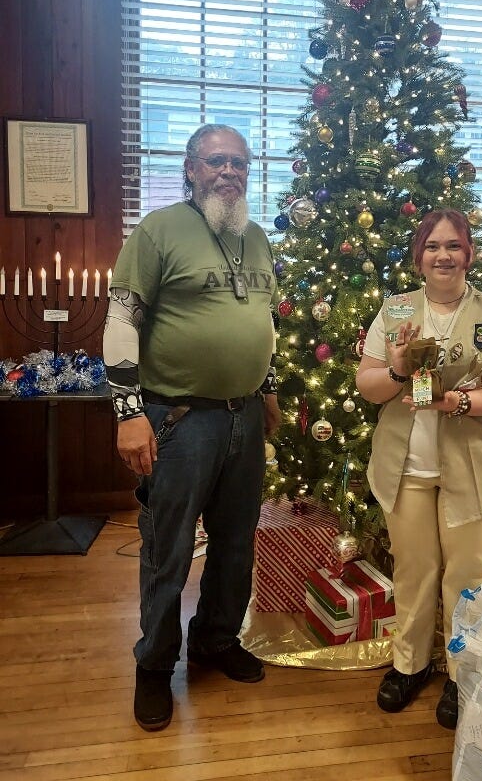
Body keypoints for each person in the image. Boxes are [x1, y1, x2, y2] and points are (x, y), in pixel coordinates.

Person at [103, 124, 281, 732]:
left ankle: (215, 638)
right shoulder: (158, 230)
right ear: (190, 167)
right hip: (177, 420)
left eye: (239, 164)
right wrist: (128, 414)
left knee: (236, 543)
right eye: (216, 162)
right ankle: (153, 665)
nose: (229, 173)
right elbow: (122, 321)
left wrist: (270, 390)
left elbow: (263, 322)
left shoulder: (255, 238)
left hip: (244, 417)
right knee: (169, 549)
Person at [356, 209, 482, 729]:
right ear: (418, 257)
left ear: (469, 254)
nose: (443, 255)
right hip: (406, 466)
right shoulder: (394, 311)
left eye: (454, 245)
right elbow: (368, 385)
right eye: (433, 246)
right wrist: (398, 368)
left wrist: (457, 403)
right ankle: (410, 664)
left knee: (471, 575)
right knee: (414, 570)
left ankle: (464, 672)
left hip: (475, 467)